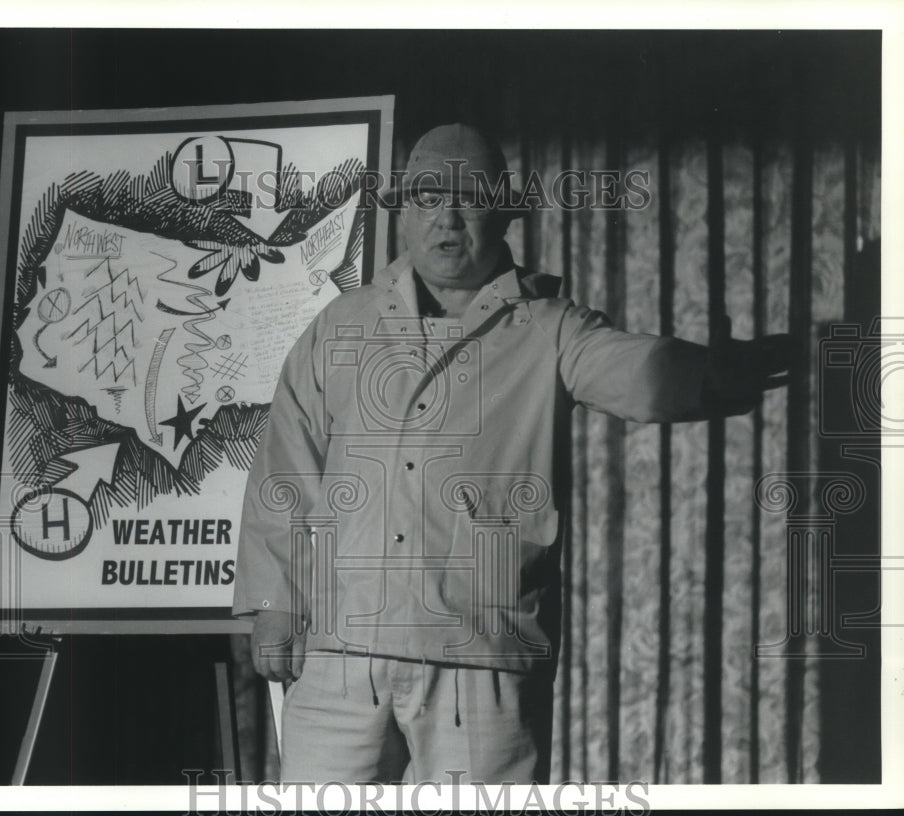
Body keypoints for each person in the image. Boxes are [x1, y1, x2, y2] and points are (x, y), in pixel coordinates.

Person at [232, 124, 790, 784]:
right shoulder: (343, 324)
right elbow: (286, 468)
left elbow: (637, 371)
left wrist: (710, 375)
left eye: (470, 197)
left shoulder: (550, 328)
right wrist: (274, 602)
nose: (448, 217)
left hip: (482, 656)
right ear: (404, 211)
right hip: (341, 657)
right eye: (429, 196)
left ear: (504, 211)